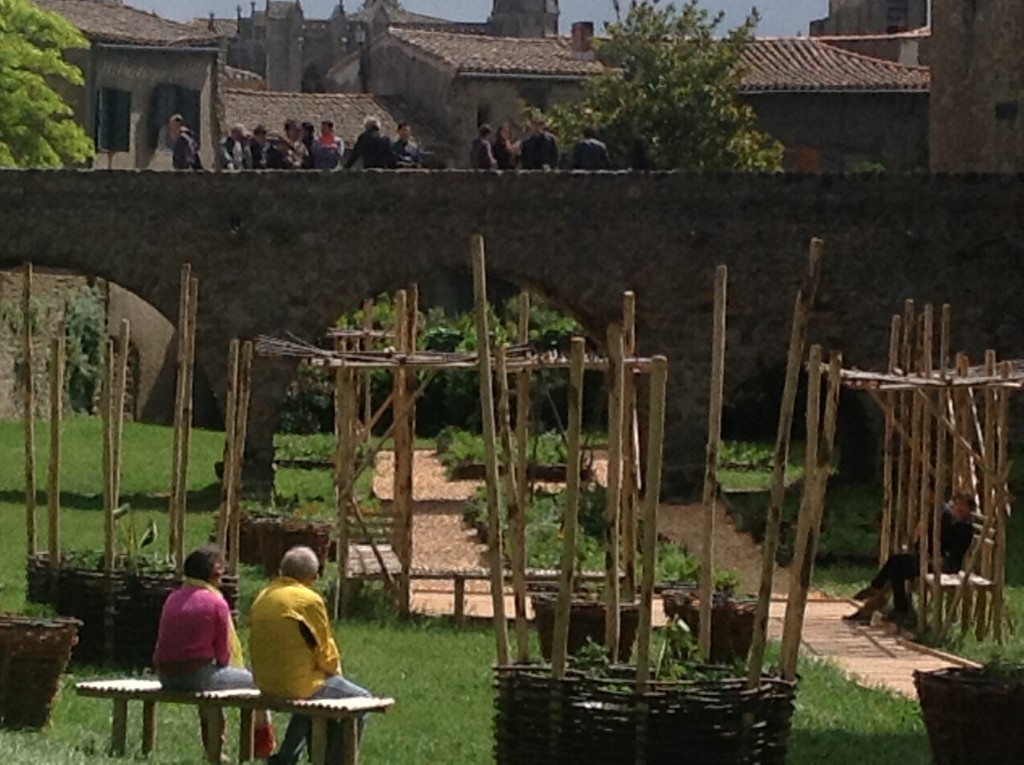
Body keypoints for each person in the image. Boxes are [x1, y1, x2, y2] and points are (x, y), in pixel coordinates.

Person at [250, 546, 373, 765]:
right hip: (296, 684)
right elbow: (325, 649)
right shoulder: (309, 600)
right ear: (313, 576)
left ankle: (285, 758)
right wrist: (335, 673)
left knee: (311, 694)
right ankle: (334, 761)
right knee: (362, 701)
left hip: (264, 681)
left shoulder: (263, 596)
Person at [153, 545, 275, 758]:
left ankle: (215, 748)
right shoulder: (216, 602)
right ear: (212, 575)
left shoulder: (174, 597)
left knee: (210, 680)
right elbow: (223, 654)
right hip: (197, 676)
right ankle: (261, 746)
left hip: (166, 676)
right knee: (259, 681)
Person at [844, 493, 976, 626]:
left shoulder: (964, 527)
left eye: (962, 505)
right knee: (897, 565)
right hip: (932, 559)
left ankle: (878, 596)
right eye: (957, 504)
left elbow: (954, 553)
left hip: (946, 565)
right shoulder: (952, 520)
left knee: (897, 564)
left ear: (970, 509)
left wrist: (934, 559)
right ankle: (889, 606)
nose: (958, 508)